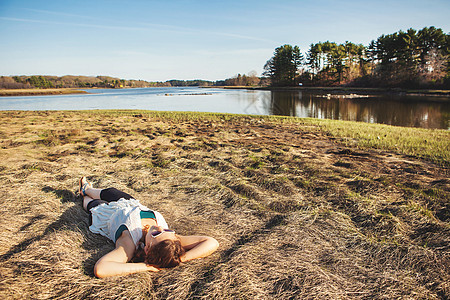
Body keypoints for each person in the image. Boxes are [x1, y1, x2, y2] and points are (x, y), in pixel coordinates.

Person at [79, 177, 219, 278]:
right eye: (167, 230)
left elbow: (101, 269)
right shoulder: (170, 242)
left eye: (157, 234)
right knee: (111, 191)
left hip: (106, 214)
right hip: (129, 203)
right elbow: (212, 242)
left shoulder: (129, 243)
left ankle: (84, 195)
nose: (160, 227)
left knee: (91, 203)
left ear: (147, 248)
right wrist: (181, 258)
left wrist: (145, 267)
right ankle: (87, 188)